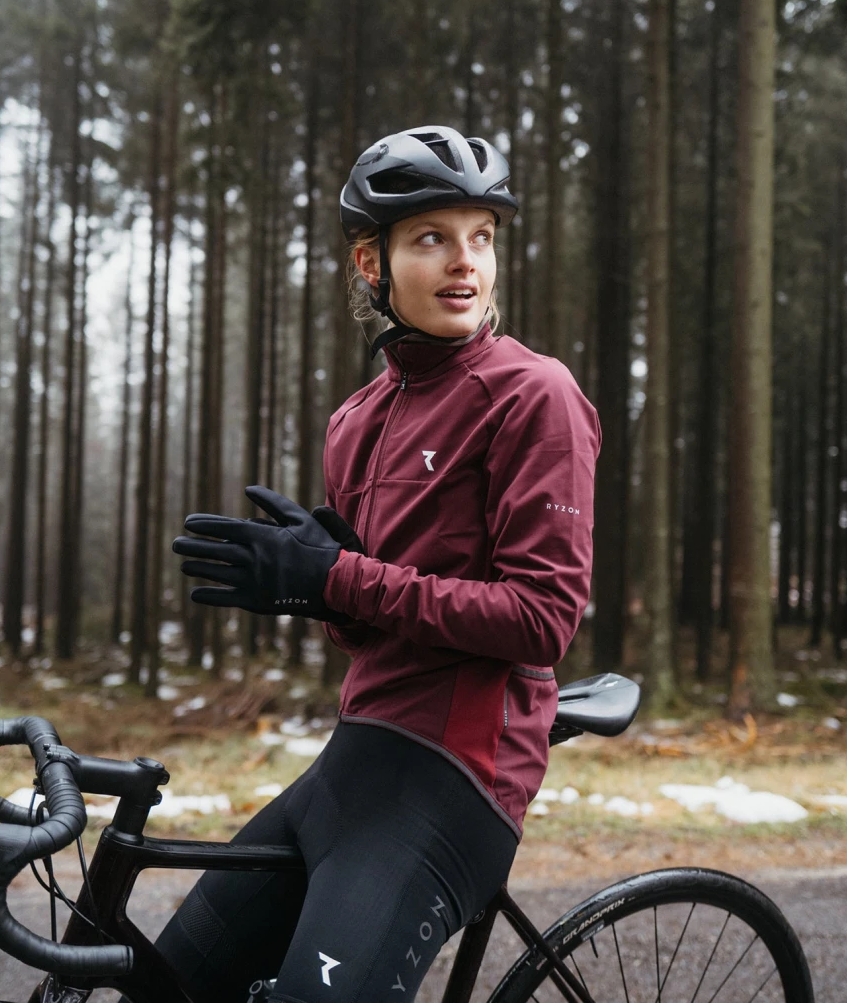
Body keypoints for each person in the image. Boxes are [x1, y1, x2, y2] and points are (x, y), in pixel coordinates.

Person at [157, 125, 601, 1003]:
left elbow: (542, 619)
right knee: (167, 984)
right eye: (432, 238)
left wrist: (338, 576)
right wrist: (315, 587)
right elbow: (366, 633)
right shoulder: (355, 421)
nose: (465, 262)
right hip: (357, 758)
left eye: (481, 237)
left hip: (461, 775)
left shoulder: (533, 393)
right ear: (372, 263)